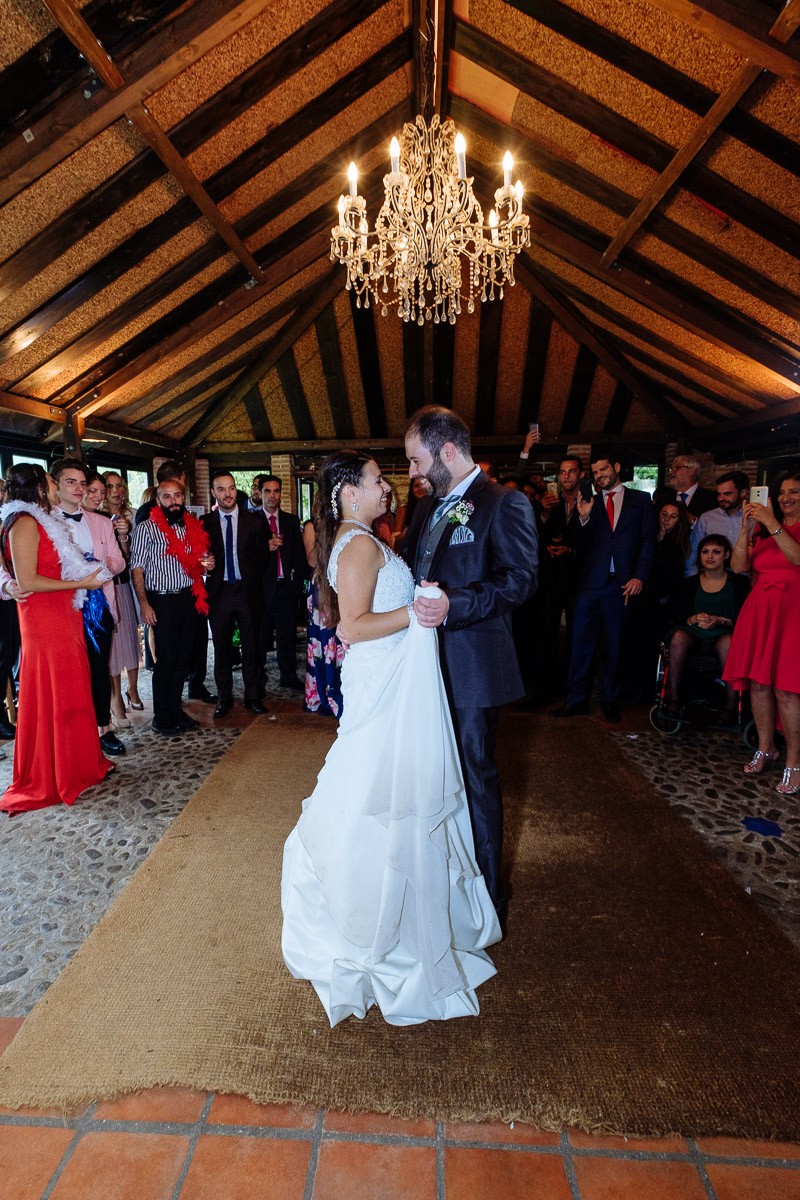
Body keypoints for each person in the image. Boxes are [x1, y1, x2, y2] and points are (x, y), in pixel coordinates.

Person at [281, 451, 500, 1026]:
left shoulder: (365, 539)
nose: (388, 486)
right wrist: (417, 610)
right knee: (377, 794)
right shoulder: (355, 546)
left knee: (399, 790)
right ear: (350, 492)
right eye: (378, 479)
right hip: (380, 684)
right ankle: (373, 925)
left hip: (395, 680)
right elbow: (350, 626)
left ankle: (410, 912)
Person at [401, 406, 538, 925]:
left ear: (448, 452)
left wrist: (456, 603)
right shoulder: (426, 508)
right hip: (425, 667)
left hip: (474, 667)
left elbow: (521, 580)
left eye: (416, 461)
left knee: (476, 777)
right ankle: (446, 880)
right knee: (433, 777)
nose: (413, 473)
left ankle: (487, 898)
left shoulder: (505, 504)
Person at [0, 464, 113, 815]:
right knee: (55, 688)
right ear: (37, 487)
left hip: (61, 615)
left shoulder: (38, 520)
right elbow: (30, 581)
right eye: (51, 481)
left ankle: (78, 763)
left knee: (70, 685)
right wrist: (82, 583)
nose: (54, 486)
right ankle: (54, 773)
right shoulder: (23, 523)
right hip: (45, 619)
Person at [553, 455, 657, 722]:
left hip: (621, 584)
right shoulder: (589, 502)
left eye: (604, 469)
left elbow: (647, 542)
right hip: (589, 585)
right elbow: (574, 542)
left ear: (617, 467)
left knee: (615, 646)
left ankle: (611, 701)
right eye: (595, 472)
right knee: (579, 644)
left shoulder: (640, 501)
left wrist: (639, 577)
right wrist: (584, 518)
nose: (599, 475)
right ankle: (576, 701)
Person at [723, 468, 800, 795]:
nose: (785, 498)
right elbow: (740, 567)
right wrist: (745, 530)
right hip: (760, 609)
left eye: (794, 492)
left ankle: (794, 760)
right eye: (782, 492)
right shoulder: (764, 532)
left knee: (786, 688)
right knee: (758, 684)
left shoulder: (780, 527)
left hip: (792, 611)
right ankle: (766, 747)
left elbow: (797, 558)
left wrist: (772, 523)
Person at [52, 460, 127, 758]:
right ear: (56, 485)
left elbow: (119, 560)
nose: (79, 488)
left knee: (99, 670)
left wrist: (102, 569)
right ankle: (72, 734)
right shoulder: (44, 522)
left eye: (82, 483)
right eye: (71, 482)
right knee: (69, 674)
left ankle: (104, 729)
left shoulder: (101, 522)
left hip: (99, 606)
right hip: (63, 609)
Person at [130, 479, 214, 736]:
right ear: (158, 501)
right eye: (167, 497)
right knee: (166, 660)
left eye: (177, 496)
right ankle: (162, 717)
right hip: (162, 600)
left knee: (183, 660)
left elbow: (195, 563)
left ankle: (174, 708)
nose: (173, 501)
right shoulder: (146, 529)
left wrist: (205, 565)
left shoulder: (191, 526)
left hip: (188, 597)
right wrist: (144, 604)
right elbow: (137, 568)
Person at [663, 534, 750, 723]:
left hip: (725, 632)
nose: (710, 556)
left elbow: (746, 617)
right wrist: (692, 618)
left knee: (728, 643)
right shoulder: (689, 584)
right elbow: (674, 613)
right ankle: (674, 698)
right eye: (705, 552)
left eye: (716, 552)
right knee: (678, 637)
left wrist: (721, 620)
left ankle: (731, 705)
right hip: (694, 632)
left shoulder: (739, 584)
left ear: (726, 555)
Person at [201, 470, 266, 717]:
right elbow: (200, 558)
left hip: (248, 591)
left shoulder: (255, 521)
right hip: (219, 593)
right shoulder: (205, 523)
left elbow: (261, 559)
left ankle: (253, 697)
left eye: (231, 488)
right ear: (213, 493)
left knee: (251, 646)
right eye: (221, 489)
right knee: (221, 648)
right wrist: (205, 565)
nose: (227, 494)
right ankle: (224, 699)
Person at [256, 475, 307, 692]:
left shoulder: (291, 521)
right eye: (267, 491)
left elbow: (299, 555)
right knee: (260, 635)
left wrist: (297, 585)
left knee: (287, 634)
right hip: (261, 588)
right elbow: (246, 556)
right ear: (260, 493)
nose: (272, 496)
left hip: (286, 586)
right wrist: (263, 548)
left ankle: (288, 676)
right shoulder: (251, 520)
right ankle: (257, 677)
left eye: (276, 491)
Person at [101, 472, 144, 718]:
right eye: (110, 487)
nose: (116, 491)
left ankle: (133, 690)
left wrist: (125, 534)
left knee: (130, 637)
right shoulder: (97, 516)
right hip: (107, 584)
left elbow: (132, 556)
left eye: (119, 486)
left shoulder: (132, 514)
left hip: (126, 582)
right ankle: (115, 697)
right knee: (114, 643)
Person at [302, 516, 343, 717]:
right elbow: (311, 559)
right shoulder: (312, 526)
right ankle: (323, 694)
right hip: (322, 588)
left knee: (342, 642)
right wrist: (326, 535)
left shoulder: (346, 523)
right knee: (324, 643)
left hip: (343, 583)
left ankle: (343, 690)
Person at [654, 455, 716, 523]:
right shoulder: (663, 499)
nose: (671, 472)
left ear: (691, 471)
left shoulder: (712, 499)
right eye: (671, 469)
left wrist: (692, 520)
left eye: (676, 468)